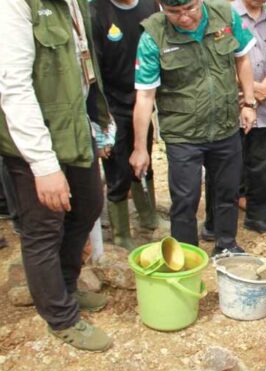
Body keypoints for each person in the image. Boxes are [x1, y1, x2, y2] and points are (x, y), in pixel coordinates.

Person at [0, 0, 116, 351]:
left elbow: (81, 65)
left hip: (73, 124)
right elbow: (14, 88)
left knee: (87, 206)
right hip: (33, 139)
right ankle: (61, 317)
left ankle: (67, 286)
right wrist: (43, 165)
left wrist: (99, 121)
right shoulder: (8, 5)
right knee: (43, 227)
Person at [130, 0, 257, 255]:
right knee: (185, 200)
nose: (184, 17)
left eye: (190, 9)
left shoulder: (225, 16)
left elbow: (242, 58)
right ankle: (186, 256)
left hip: (224, 126)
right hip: (183, 133)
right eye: (174, 12)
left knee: (227, 192)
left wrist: (249, 102)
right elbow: (145, 96)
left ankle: (226, 245)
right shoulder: (154, 35)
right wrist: (139, 148)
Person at [90, 0, 162, 251]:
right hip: (113, 106)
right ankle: (121, 233)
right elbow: (94, 71)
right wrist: (100, 116)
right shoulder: (96, 11)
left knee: (144, 158)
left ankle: (149, 217)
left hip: (143, 99)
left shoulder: (150, 6)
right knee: (117, 170)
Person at [233, 0, 266, 234]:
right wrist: (250, 88)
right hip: (234, 104)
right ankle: (220, 219)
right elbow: (221, 63)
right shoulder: (227, 15)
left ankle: (258, 217)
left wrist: (264, 87)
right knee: (231, 165)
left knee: (264, 166)